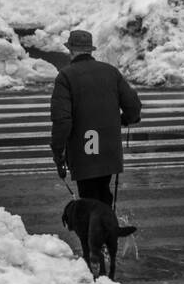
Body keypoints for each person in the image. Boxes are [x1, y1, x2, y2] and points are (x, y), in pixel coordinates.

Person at [50, 30, 142, 208]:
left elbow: (62, 121)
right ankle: (107, 230)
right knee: (103, 195)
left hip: (85, 150)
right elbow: (133, 107)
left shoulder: (66, 76)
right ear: (90, 50)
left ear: (71, 50)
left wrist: (57, 151)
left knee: (89, 200)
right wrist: (124, 120)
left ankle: (96, 232)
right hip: (108, 150)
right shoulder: (111, 72)